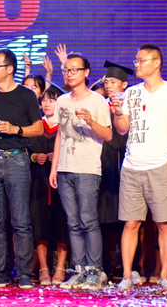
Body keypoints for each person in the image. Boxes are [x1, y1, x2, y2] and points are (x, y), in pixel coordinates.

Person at [113, 44, 167, 291]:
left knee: (164, 224)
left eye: (141, 60)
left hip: (161, 166)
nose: (136, 64)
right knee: (131, 223)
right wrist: (117, 112)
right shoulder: (131, 92)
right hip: (132, 167)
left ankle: (164, 274)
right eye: (136, 60)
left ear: (156, 63)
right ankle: (126, 275)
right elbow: (122, 129)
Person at [0, 49, 42, 290]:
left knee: (21, 222)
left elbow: (39, 128)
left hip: (17, 160)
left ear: (10, 69)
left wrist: (16, 130)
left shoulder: (26, 95)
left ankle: (23, 273)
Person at [50, 54, 112, 290]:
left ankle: (95, 271)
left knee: (88, 220)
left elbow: (108, 135)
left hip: (87, 169)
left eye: (74, 69)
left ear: (86, 72)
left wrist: (90, 121)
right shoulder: (62, 100)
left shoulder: (97, 101)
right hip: (64, 169)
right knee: (73, 223)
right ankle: (79, 270)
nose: (69, 74)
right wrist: (55, 167)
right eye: (66, 70)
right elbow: (60, 135)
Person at [29, 84, 68, 285]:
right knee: (39, 222)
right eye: (44, 100)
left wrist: (60, 156)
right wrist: (35, 156)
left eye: (51, 100)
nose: (46, 104)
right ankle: (43, 268)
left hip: (62, 181)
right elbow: (26, 150)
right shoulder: (35, 126)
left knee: (62, 223)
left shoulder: (66, 126)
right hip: (38, 180)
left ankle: (60, 267)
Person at [98, 62, 132, 281]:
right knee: (102, 216)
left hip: (126, 164)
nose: (108, 85)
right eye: (106, 82)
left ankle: (127, 265)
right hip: (102, 164)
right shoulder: (100, 105)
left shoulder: (131, 106)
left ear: (124, 84)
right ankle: (103, 266)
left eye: (113, 82)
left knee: (127, 218)